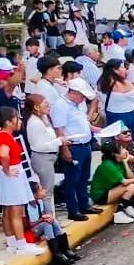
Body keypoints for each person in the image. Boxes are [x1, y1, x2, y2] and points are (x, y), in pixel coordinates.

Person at [0, 107, 45, 256]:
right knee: (15, 212)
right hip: (12, 175)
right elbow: (4, 155)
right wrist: (8, 169)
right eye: (17, 118)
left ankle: (12, 243)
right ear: (9, 122)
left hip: (7, 175)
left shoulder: (2, 135)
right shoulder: (4, 137)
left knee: (7, 211)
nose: (19, 121)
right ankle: (21, 244)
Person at [51, 77, 101, 222]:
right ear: (73, 92)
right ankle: (73, 210)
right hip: (74, 146)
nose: (83, 98)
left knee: (84, 178)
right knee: (72, 180)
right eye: (82, 95)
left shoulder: (77, 105)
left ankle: (84, 204)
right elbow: (59, 130)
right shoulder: (61, 106)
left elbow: (83, 123)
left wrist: (98, 130)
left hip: (85, 145)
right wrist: (65, 150)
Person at [89, 142, 134, 224]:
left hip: (114, 189)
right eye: (122, 149)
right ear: (114, 154)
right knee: (131, 186)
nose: (125, 151)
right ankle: (119, 213)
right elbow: (125, 182)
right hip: (101, 195)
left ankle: (128, 207)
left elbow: (131, 177)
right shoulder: (107, 165)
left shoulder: (119, 161)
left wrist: (125, 162)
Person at [27, 181, 80, 265]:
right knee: (46, 224)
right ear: (33, 195)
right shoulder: (27, 207)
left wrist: (48, 217)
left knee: (53, 221)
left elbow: (44, 215)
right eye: (40, 190)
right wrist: (42, 219)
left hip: (39, 226)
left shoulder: (39, 203)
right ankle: (57, 255)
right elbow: (28, 224)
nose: (43, 191)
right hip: (32, 230)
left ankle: (65, 249)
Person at [99, 58, 134, 135]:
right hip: (126, 116)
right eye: (123, 67)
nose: (126, 70)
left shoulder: (101, 82)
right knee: (128, 140)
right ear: (115, 70)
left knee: (114, 138)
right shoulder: (125, 84)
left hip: (110, 115)